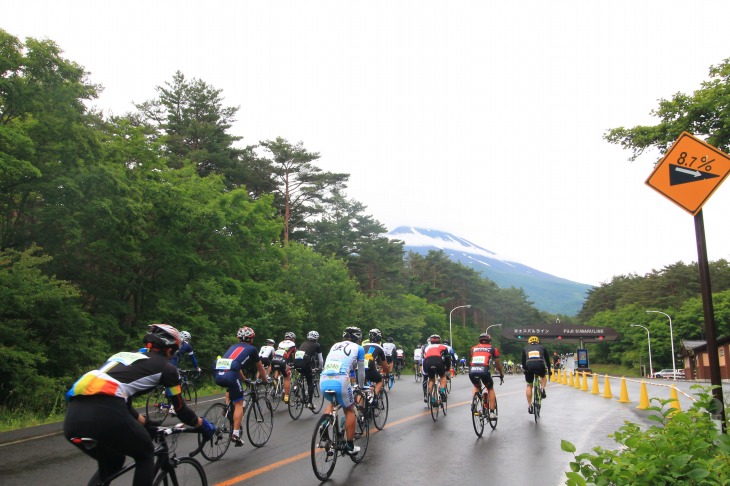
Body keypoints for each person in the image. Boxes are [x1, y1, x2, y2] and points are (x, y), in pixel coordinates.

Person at [64, 323, 214, 486]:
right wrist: (201, 424)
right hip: (106, 411)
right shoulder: (167, 368)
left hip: (73, 416)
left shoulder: (124, 358)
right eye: (174, 352)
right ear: (169, 349)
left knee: (114, 461)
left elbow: (121, 399)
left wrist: (145, 423)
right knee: (145, 453)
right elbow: (180, 409)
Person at [214, 326, 269, 446]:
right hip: (231, 374)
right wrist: (265, 380)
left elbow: (234, 365)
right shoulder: (252, 349)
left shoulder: (232, 347)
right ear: (252, 339)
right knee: (239, 403)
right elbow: (260, 367)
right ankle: (235, 433)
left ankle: (227, 409)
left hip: (218, 373)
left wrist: (244, 379)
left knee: (231, 389)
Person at [320, 326, 366, 455]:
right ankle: (350, 446)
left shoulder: (335, 346)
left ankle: (324, 423)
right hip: (340, 380)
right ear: (358, 339)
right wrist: (361, 386)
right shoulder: (359, 348)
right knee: (349, 409)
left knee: (332, 403)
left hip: (324, 379)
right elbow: (361, 372)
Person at [468, 333, 504, 417]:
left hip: (472, 370)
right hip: (484, 370)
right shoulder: (493, 348)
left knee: (477, 386)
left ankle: (474, 404)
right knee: (490, 388)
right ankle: (491, 412)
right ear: (489, 340)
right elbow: (497, 363)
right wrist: (501, 373)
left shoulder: (473, 348)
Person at [293, 330, 325, 410]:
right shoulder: (317, 345)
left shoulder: (303, 344)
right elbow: (320, 360)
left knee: (302, 373)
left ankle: (296, 386)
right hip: (305, 362)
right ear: (316, 338)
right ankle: (310, 403)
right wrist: (321, 368)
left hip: (296, 362)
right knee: (310, 380)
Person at [522, 335, 551, 414]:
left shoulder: (525, 348)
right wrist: (549, 370)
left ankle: (530, 405)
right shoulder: (542, 347)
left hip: (529, 367)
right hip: (540, 366)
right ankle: (542, 389)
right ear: (538, 342)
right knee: (543, 376)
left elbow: (523, 362)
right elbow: (547, 361)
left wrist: (526, 369)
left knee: (529, 386)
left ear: (529, 342)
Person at [363, 329, 390, 403]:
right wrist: (387, 374)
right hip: (369, 367)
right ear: (379, 339)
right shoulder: (379, 347)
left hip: (359, 368)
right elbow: (385, 365)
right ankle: (374, 398)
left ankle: (360, 409)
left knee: (361, 389)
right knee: (379, 380)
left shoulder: (363, 346)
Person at [423, 334, 450, 404]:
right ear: (439, 340)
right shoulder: (443, 347)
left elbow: (424, 357)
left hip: (427, 362)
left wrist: (425, 370)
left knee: (431, 379)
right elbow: (447, 358)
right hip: (437, 361)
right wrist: (447, 368)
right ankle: (442, 390)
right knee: (443, 376)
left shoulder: (426, 347)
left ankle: (431, 396)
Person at [271, 331, 297, 403]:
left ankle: (275, 380)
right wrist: (295, 363)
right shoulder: (293, 344)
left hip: (274, 360)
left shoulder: (281, 343)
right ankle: (286, 397)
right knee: (287, 378)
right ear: (293, 339)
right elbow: (294, 355)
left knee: (277, 368)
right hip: (283, 361)